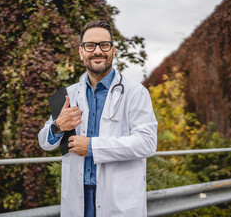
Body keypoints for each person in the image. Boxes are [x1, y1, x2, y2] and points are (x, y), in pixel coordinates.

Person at [38, 20, 157, 217]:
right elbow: (45, 143)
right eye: (90, 46)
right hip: (77, 201)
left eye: (104, 45)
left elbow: (147, 142)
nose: (97, 51)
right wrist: (57, 127)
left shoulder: (135, 92)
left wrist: (92, 147)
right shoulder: (67, 95)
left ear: (113, 50)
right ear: (81, 52)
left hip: (118, 201)